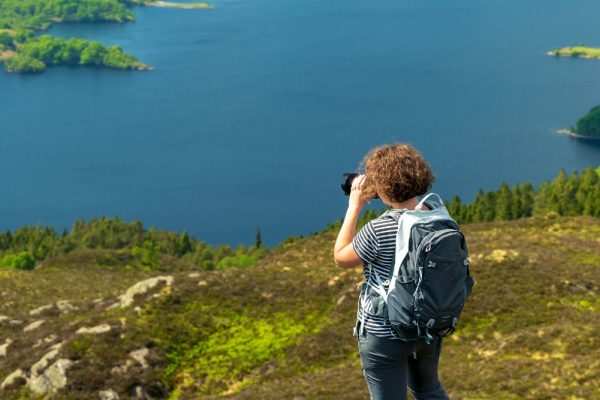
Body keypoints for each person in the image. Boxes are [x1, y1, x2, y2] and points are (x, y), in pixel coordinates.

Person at [333, 143, 449, 400]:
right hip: (427, 325)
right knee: (429, 389)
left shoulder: (379, 229)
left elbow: (341, 257)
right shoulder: (439, 216)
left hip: (384, 331)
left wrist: (354, 207)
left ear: (383, 187)